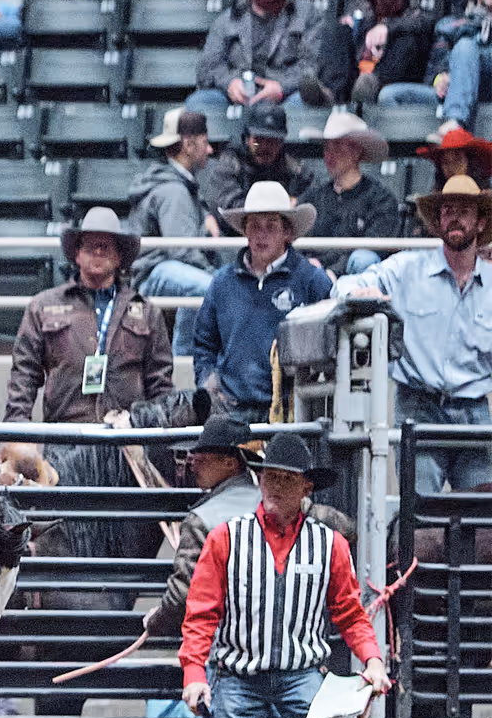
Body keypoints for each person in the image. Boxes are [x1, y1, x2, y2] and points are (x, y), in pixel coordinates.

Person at [145, 417, 355, 718]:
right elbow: (346, 532)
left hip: (237, 659)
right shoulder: (315, 518)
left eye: (203, 456)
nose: (192, 463)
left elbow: (187, 599)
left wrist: (158, 622)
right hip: (275, 660)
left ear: (230, 461)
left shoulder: (206, 519)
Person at [180, 432, 391, 718]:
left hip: (300, 673)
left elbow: (350, 614)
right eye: (270, 477)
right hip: (240, 675)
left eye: (287, 479)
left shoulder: (330, 544)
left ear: (306, 487)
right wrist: (194, 672)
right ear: (259, 479)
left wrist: (373, 660)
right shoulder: (225, 538)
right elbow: (201, 613)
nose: (276, 486)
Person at [333, 174, 492, 494]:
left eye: (464, 210)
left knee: (482, 520)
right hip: (419, 406)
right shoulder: (406, 269)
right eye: (447, 210)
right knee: (417, 517)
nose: (454, 217)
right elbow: (344, 285)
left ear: (480, 222)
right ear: (438, 220)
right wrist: (362, 293)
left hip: (474, 410)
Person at [5, 206, 172, 423]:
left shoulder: (146, 312)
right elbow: (24, 375)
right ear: (77, 254)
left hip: (126, 439)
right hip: (65, 438)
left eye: (105, 246)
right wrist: (17, 428)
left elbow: (160, 383)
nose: (98, 252)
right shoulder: (43, 306)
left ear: (119, 257)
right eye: (90, 246)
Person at [194, 181, 333, 423]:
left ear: (287, 233)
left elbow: (332, 340)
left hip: (293, 410)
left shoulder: (310, 280)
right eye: (254, 226)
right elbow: (204, 344)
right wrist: (209, 385)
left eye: (271, 226)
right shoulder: (222, 282)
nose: (261, 235)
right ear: (244, 231)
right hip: (232, 410)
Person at [128, 108, 220, 358]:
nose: (209, 149)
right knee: (208, 286)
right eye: (205, 142)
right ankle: (184, 361)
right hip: (152, 274)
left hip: (162, 269)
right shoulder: (174, 190)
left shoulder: (180, 184)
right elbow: (182, 250)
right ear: (189, 145)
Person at [188, 0, 322, 111]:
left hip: (285, 96)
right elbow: (209, 66)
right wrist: (230, 84)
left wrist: (282, 87)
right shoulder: (227, 19)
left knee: (302, 102)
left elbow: (311, 65)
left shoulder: (307, 15)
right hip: (236, 97)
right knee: (201, 102)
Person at [304, 0, 439, 106]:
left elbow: (428, 23)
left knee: (408, 40)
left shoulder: (416, 12)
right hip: (356, 79)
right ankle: (330, 96)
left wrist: (388, 27)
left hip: (389, 79)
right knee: (337, 31)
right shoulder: (363, 13)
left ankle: (370, 88)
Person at [297, 110, 400, 274]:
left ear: (356, 150)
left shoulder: (381, 199)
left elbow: (374, 245)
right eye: (327, 148)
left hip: (355, 279)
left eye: (337, 146)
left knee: (363, 259)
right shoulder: (313, 197)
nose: (329, 156)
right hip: (313, 276)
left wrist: (331, 269)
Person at [199, 104, 315, 233]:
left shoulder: (295, 170)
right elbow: (231, 210)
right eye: (258, 141)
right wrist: (281, 207)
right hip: (233, 239)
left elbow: (308, 201)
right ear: (247, 139)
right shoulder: (230, 165)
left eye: (272, 142)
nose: (264, 147)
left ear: (281, 143)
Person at [428, 0, 492, 139]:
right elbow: (434, 67)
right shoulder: (449, 25)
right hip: (448, 91)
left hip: (485, 88)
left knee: (465, 47)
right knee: (392, 95)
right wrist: (440, 77)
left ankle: (455, 125)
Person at [418, 128, 492, 189]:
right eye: (445, 162)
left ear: (471, 162)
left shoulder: (486, 199)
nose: (451, 167)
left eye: (457, 160)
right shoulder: (434, 203)